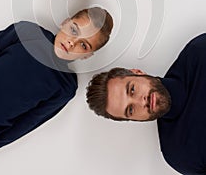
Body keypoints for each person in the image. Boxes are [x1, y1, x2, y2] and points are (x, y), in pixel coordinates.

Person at [0, 7, 113, 166]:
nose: (72, 42)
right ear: (65, 22)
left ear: (86, 56)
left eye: (84, 45)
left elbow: (28, 123)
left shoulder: (65, 87)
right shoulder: (28, 33)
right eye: (74, 30)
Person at [86, 34, 206, 175]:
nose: (141, 101)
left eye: (132, 90)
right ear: (134, 120)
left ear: (138, 73)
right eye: (130, 109)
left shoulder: (199, 52)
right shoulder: (180, 154)